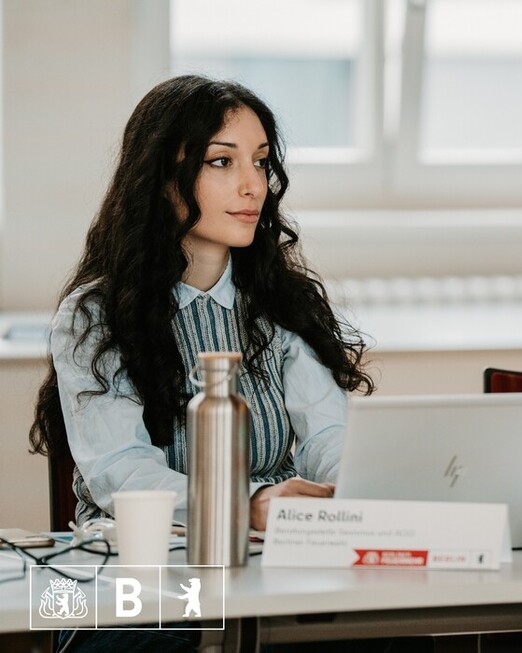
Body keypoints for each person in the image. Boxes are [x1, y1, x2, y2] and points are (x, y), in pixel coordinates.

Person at [27, 74, 399, 653]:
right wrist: (246, 503)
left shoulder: (278, 306)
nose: (254, 185)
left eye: (261, 162)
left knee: (384, 629)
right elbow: (124, 473)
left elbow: (329, 436)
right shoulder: (95, 315)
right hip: (139, 580)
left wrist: (356, 485)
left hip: (265, 571)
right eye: (222, 162)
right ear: (159, 177)